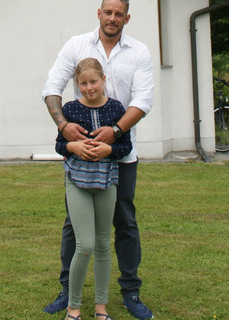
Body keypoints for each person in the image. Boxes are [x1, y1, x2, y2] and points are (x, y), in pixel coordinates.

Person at [43, 0, 154, 320]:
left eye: (119, 14)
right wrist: (64, 128)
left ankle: (131, 291)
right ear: (99, 13)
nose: (112, 18)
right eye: (107, 12)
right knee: (73, 227)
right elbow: (51, 87)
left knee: (126, 222)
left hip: (120, 155)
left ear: (126, 19)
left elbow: (143, 100)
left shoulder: (139, 52)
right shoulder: (77, 45)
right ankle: (67, 291)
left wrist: (116, 133)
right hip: (80, 158)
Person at [55, 58, 132, 320]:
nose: (89, 88)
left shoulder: (115, 108)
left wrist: (110, 148)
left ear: (103, 80)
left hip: (107, 180)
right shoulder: (70, 109)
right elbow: (59, 144)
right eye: (83, 83)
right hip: (77, 181)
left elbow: (125, 146)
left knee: (101, 245)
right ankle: (73, 308)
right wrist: (72, 146)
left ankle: (101, 309)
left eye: (93, 82)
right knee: (84, 244)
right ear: (78, 85)